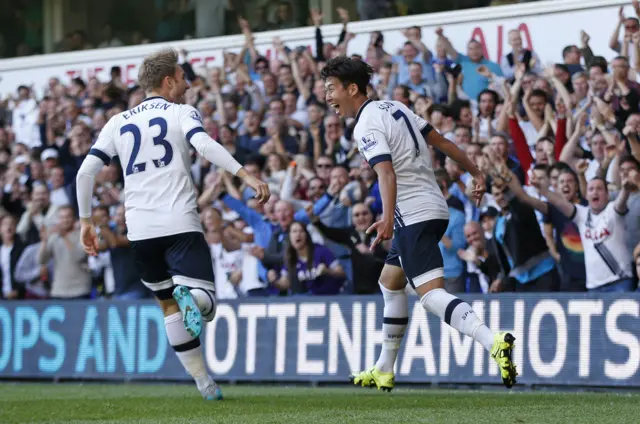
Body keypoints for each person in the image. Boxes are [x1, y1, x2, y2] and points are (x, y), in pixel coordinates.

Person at [75, 48, 270, 401]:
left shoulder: (117, 122)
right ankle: (193, 298)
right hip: (179, 221)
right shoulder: (181, 112)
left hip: (139, 230)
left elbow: (85, 171)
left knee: (167, 305)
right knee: (205, 303)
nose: (187, 84)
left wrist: (86, 221)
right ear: (168, 81)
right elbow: (204, 144)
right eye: (182, 78)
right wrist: (245, 175)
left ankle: (204, 385)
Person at [320, 56, 517, 391]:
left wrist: (386, 216)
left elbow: (385, 172)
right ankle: (384, 368)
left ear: (352, 88)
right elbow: (439, 141)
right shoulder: (394, 107)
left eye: (331, 89)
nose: (327, 97)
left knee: (430, 296)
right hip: (432, 208)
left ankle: (492, 340)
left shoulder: (365, 124)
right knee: (390, 281)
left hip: (412, 215)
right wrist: (475, 170)